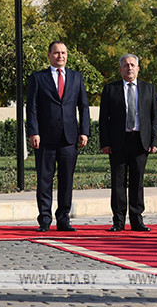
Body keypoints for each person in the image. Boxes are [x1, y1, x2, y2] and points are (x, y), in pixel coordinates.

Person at [26, 41, 90, 232]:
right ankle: (45, 220)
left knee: (66, 181)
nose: (60, 56)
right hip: (44, 138)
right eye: (56, 53)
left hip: (69, 139)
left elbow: (83, 106)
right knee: (44, 180)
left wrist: (84, 131)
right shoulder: (38, 78)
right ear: (49, 55)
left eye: (63, 53)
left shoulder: (77, 77)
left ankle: (63, 219)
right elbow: (32, 107)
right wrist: (33, 131)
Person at [98, 54, 157, 232]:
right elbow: (103, 120)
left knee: (137, 181)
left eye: (133, 65)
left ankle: (136, 219)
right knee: (118, 182)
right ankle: (118, 220)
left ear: (138, 69)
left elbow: (155, 118)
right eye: (125, 65)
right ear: (120, 69)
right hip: (118, 141)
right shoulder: (110, 90)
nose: (129, 68)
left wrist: (154, 141)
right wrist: (105, 142)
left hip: (141, 141)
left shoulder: (149, 89)